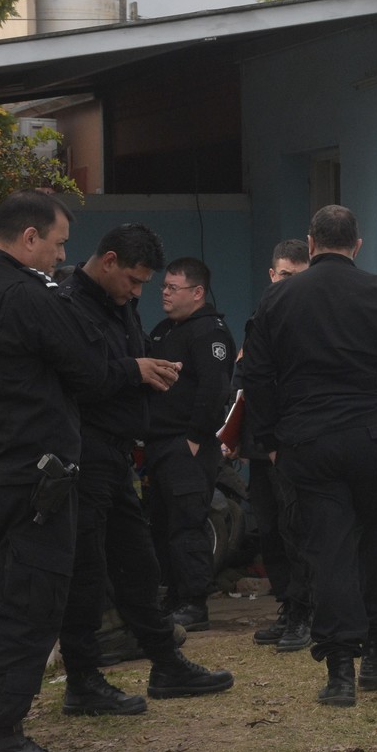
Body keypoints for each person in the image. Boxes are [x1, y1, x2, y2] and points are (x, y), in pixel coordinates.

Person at [0, 191, 179, 752]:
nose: (60, 255)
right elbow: (91, 370)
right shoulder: (30, 297)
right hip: (34, 478)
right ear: (27, 238)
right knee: (32, 602)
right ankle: (3, 740)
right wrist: (127, 370)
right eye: (58, 243)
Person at [240, 205, 377, 708]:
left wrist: (273, 440)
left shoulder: (278, 299)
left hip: (310, 442)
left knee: (327, 550)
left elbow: (256, 378)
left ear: (310, 244)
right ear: (358, 244)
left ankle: (339, 670)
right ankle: (376, 651)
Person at [57, 224, 234, 716]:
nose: (140, 293)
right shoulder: (70, 303)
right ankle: (84, 679)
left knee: (140, 560)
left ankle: (166, 661)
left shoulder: (123, 305)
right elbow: (80, 374)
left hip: (119, 451)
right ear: (108, 261)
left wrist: (144, 373)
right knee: (88, 570)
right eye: (134, 282)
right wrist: (135, 370)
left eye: (147, 285)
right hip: (86, 451)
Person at [144, 257, 235, 631]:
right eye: (163, 286)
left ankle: (195, 602)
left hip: (187, 445)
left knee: (187, 524)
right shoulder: (166, 330)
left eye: (173, 288)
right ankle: (175, 596)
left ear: (197, 293)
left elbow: (214, 392)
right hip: (159, 443)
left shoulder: (209, 333)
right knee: (162, 525)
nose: (164, 293)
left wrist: (196, 439)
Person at [239, 239, 313, 652]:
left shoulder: (307, 319)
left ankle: (304, 611)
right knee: (269, 527)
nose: (289, 285)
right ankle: (288, 606)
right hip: (260, 442)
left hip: (291, 441)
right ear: (272, 276)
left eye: (297, 277)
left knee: (295, 528)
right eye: (284, 276)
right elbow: (246, 378)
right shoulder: (262, 316)